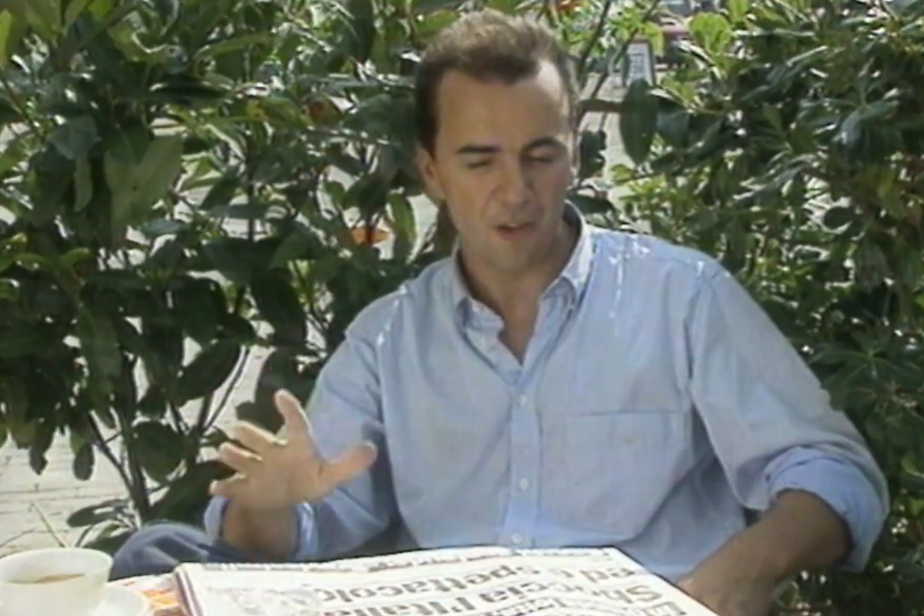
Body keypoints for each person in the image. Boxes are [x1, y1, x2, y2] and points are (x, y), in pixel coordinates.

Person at [110, 10, 889, 616]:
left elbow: (834, 474)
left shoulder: (682, 298)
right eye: (480, 160)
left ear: (576, 154)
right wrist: (265, 510)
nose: (514, 192)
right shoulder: (389, 338)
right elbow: (307, 535)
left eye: (540, 155)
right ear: (432, 172)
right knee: (158, 554)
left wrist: (742, 571)